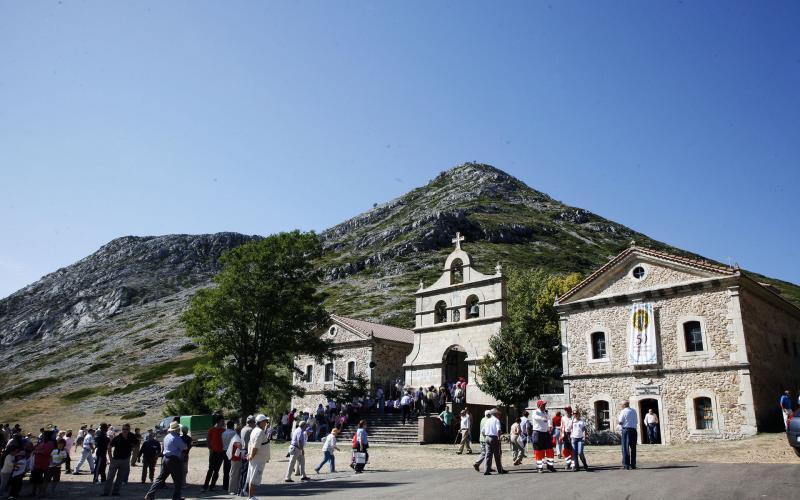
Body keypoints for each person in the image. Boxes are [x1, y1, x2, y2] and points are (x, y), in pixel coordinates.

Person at [144, 421, 186, 500]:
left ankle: (150, 494)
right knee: (178, 479)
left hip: (165, 458)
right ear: (177, 429)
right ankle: (176, 497)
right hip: (173, 459)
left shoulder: (167, 437)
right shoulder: (176, 438)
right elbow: (184, 447)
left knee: (161, 478)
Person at [102, 423, 138, 496]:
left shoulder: (132, 436)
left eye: (127, 429)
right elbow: (109, 447)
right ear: (122, 430)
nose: (125, 431)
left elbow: (137, 443)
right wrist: (110, 458)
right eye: (123, 429)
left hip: (125, 460)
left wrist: (133, 448)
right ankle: (106, 492)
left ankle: (115, 492)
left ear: (129, 430)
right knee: (110, 477)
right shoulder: (117, 438)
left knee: (120, 478)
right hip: (115, 460)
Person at [247, 414, 272, 498]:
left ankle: (251, 496)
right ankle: (250, 497)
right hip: (257, 459)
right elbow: (255, 446)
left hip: (257, 459)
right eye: (265, 421)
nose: (266, 423)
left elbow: (251, 444)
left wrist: (250, 455)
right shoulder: (259, 432)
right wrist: (251, 456)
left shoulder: (255, 430)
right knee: (254, 479)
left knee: (253, 477)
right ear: (260, 422)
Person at [202, 416, 226, 492]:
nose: (223, 423)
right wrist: (210, 449)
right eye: (222, 421)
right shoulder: (211, 430)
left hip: (221, 453)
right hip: (213, 453)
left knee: (216, 470)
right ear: (218, 422)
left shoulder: (223, 430)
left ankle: (212, 486)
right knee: (210, 470)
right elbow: (208, 441)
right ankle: (205, 486)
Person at [532, 400, 556, 473]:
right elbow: (535, 417)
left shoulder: (545, 412)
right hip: (538, 433)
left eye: (545, 405)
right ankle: (539, 467)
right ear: (539, 406)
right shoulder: (535, 412)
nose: (544, 406)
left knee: (550, 450)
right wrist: (542, 418)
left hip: (546, 433)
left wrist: (550, 425)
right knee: (539, 451)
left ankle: (550, 466)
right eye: (543, 405)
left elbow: (549, 419)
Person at [481, 408, 506, 475]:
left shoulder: (487, 420)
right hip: (494, 437)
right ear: (495, 414)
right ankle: (499, 469)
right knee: (497, 454)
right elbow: (498, 430)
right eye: (498, 414)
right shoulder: (496, 420)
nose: (499, 415)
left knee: (488, 454)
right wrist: (499, 437)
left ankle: (486, 470)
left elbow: (482, 431)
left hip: (487, 437)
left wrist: (485, 436)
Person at [30, 431, 54, 496]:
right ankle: (33, 492)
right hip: (37, 463)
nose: (42, 436)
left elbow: (46, 452)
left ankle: (41, 493)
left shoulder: (50, 443)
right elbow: (35, 448)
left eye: (44, 435)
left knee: (40, 480)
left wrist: (37, 451)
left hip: (44, 463)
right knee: (35, 478)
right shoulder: (42, 442)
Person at [618, 400, 638, 470]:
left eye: (621, 404)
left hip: (626, 430)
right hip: (634, 430)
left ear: (623, 405)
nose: (620, 406)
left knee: (625, 448)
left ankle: (626, 465)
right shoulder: (634, 411)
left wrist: (619, 428)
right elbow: (636, 421)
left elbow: (620, 421)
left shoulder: (623, 411)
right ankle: (633, 464)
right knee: (633, 448)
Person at [238, 415, 255, 496]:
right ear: (252, 422)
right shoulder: (251, 430)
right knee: (247, 472)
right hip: (247, 451)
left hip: (242, 451)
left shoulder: (243, 429)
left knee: (243, 472)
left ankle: (239, 489)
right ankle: (244, 490)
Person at [226, 425, 243, 495]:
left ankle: (234, 489)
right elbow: (240, 446)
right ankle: (232, 490)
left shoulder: (236, 437)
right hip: (235, 459)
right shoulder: (237, 438)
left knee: (235, 474)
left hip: (236, 458)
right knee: (234, 474)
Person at [560, 406, 574, 470]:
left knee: (572, 450)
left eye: (568, 410)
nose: (567, 411)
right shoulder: (563, 418)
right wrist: (561, 436)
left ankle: (573, 464)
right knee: (565, 451)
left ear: (570, 411)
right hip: (565, 435)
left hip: (572, 435)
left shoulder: (573, 418)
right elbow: (561, 428)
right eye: (566, 410)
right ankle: (568, 463)